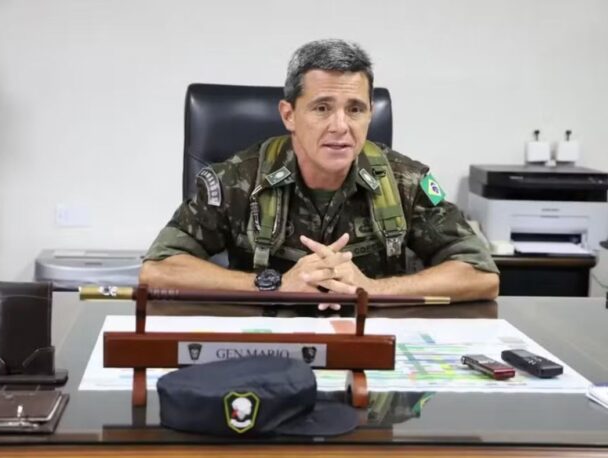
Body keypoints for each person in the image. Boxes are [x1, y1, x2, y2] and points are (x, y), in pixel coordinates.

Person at [140, 39, 499, 304]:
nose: (340, 126)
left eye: (355, 109)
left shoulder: (406, 181)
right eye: (322, 108)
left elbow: (481, 275)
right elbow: (158, 269)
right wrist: (274, 285)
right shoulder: (237, 180)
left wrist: (372, 289)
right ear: (289, 115)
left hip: (371, 344)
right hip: (264, 345)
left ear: (370, 114)